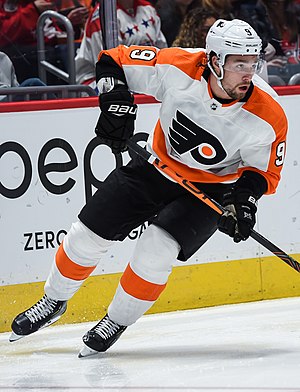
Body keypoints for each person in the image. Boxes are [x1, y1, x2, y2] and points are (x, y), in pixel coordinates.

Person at [9, 19, 288, 357]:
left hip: (213, 190)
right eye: (239, 64)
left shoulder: (269, 114)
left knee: (155, 251)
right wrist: (115, 99)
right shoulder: (178, 67)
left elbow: (259, 173)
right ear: (214, 60)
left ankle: (115, 320)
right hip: (155, 167)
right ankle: (53, 300)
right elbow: (113, 59)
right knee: (87, 235)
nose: (249, 73)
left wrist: (243, 205)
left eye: (253, 63)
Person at [75, 0, 167, 89]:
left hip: (142, 76)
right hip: (96, 81)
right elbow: (107, 66)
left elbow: (162, 51)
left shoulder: (148, 8)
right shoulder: (103, 15)